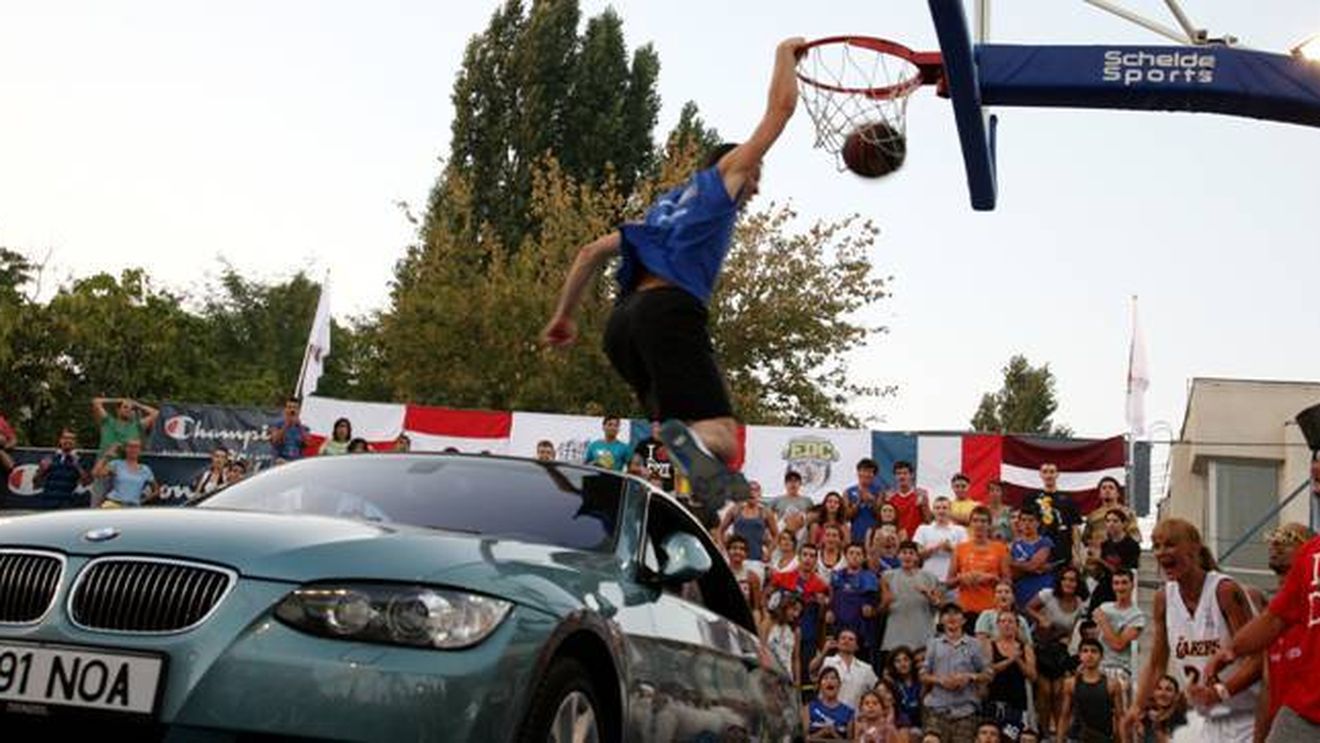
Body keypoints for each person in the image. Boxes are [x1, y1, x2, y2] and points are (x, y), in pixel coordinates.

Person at [542, 38, 807, 515]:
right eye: (755, 175)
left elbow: (589, 252)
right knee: (723, 438)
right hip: (668, 313)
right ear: (734, 166)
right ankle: (692, 449)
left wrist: (563, 316)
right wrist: (784, 54)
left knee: (681, 429)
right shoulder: (720, 183)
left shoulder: (661, 211)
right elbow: (780, 111)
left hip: (622, 329)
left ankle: (690, 479)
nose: (755, 187)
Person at [1125, 519, 1260, 743]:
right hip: (1206, 719)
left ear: (1194, 547)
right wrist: (1136, 707)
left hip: (1245, 717)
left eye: (1170, 544)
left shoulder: (1224, 590)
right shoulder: (1163, 598)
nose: (1161, 552)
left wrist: (1220, 692)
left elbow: (1257, 659)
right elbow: (1157, 664)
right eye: (1156, 546)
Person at [1027, 565, 1088, 738]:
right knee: (1045, 691)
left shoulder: (1080, 604)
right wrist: (1040, 618)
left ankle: (1059, 734)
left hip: (1060, 651)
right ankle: (1045, 733)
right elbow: (1028, 608)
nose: (1068, 583)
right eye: (1065, 579)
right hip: (1040, 646)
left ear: (1078, 583)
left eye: (1072, 580)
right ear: (1060, 581)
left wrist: (1068, 640)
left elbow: (1073, 629)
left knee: (1059, 692)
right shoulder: (1048, 594)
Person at [920, 602, 990, 743]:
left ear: (963, 620)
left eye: (956, 613)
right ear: (941, 620)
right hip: (937, 708)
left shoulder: (975, 644)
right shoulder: (933, 644)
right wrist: (940, 680)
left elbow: (988, 674)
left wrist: (969, 677)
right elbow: (923, 675)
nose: (951, 617)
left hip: (965, 710)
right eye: (947, 614)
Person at [771, 541, 831, 680]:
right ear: (798, 557)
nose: (808, 559)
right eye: (805, 555)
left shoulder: (821, 586)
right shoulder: (782, 578)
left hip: (807, 635)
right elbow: (767, 599)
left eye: (812, 556)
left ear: (816, 560)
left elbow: (822, 617)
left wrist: (823, 605)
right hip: (782, 633)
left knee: (803, 674)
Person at [1093, 568, 1146, 708]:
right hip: (1097, 664)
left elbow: (1118, 645)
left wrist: (1103, 621)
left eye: (1124, 583)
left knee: (1117, 691)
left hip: (1119, 668)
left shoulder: (1137, 616)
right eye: (1116, 583)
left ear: (1132, 585)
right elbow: (1096, 639)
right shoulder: (1104, 607)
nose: (1120, 587)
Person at [947, 505, 1011, 619]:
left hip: (992, 610)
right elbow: (948, 583)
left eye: (983, 521)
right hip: (966, 609)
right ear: (970, 524)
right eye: (975, 520)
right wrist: (961, 578)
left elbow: (1008, 582)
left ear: (989, 525)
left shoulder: (1000, 548)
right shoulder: (960, 548)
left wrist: (991, 578)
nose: (979, 524)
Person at [880, 541, 943, 654]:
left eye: (911, 553)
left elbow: (940, 606)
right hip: (896, 636)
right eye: (904, 552)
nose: (907, 556)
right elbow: (881, 610)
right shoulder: (887, 577)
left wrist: (930, 597)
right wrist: (886, 602)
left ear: (917, 557)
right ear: (898, 555)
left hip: (923, 634)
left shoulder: (929, 577)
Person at [1057, 638, 1124, 743]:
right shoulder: (1070, 684)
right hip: (1077, 738)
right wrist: (1059, 740)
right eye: (1085, 651)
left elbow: (1120, 718)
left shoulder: (1112, 685)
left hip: (1103, 738)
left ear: (1101, 656)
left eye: (1094, 651)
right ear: (1080, 656)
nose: (1089, 655)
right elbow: (1064, 716)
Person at [982, 610, 1036, 736]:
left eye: (1010, 621)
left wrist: (1018, 660)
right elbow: (987, 670)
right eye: (1003, 621)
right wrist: (1010, 660)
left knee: (1011, 738)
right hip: (993, 701)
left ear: (1017, 626)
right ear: (998, 625)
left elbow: (1033, 676)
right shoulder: (990, 644)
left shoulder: (1025, 647)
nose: (1007, 624)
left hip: (1017, 703)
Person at [1021, 463, 1081, 571]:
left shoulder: (1068, 500)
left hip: (1062, 551)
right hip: (1037, 550)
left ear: (1057, 474)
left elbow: (1075, 529)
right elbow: (1023, 525)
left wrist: (1077, 552)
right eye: (1045, 472)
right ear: (1040, 474)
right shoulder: (1031, 499)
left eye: (1052, 472)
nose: (1049, 475)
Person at [828, 544, 881, 659]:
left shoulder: (870, 577)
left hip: (861, 631)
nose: (854, 556)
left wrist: (871, 608)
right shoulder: (836, 575)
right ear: (845, 556)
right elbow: (832, 597)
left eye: (858, 554)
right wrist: (830, 610)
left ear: (864, 557)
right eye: (851, 553)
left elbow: (874, 602)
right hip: (839, 628)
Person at [810, 628, 879, 710]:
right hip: (826, 714)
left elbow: (877, 690)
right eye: (843, 638)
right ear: (837, 643)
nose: (846, 641)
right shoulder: (827, 661)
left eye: (851, 639)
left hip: (855, 715)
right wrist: (824, 651)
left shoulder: (866, 668)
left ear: (857, 646)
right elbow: (812, 669)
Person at [1088, 508, 1142, 610]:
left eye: (1115, 521)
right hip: (1105, 584)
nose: (1111, 524)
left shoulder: (1131, 545)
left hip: (1121, 586)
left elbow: (1124, 572)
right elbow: (1098, 571)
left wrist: (1100, 560)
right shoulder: (1105, 544)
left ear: (1124, 524)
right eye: (1108, 521)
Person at [912, 497, 966, 594]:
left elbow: (965, 556)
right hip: (928, 580)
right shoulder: (923, 529)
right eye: (937, 508)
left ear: (950, 510)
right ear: (933, 511)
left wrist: (951, 549)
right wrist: (936, 547)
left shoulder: (960, 530)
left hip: (952, 582)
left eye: (944, 508)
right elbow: (917, 555)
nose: (941, 511)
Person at [1010, 505, 1056, 610]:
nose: (1027, 524)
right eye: (1023, 520)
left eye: (1031, 520)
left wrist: (1014, 563)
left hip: (1042, 590)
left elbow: (1032, 566)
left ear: (1038, 523)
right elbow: (1013, 573)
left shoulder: (1045, 541)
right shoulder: (1014, 545)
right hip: (1021, 591)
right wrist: (1031, 567)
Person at [720, 480, 778, 562]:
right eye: (749, 490)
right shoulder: (736, 510)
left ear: (759, 494)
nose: (752, 493)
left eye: (755, 490)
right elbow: (720, 531)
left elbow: (776, 535)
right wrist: (723, 549)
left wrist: (769, 552)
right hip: (736, 559)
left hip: (757, 558)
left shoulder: (765, 513)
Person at [92, 439, 158, 507]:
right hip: (114, 504)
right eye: (130, 447)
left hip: (133, 506)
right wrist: (106, 456)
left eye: (136, 447)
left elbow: (156, 490)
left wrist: (142, 500)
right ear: (125, 449)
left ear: (140, 450)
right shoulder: (116, 464)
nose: (133, 450)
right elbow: (95, 473)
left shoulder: (145, 469)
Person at [35, 428, 91, 505]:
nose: (68, 441)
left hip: (67, 504)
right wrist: (42, 470)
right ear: (60, 440)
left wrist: (78, 466)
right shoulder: (49, 457)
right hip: (47, 502)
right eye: (65, 438)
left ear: (75, 442)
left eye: (71, 439)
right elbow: (36, 484)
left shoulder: (81, 460)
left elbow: (86, 483)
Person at [1083, 476, 1140, 548]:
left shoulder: (1128, 513)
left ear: (1117, 493)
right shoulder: (1093, 516)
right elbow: (1085, 539)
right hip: (1099, 552)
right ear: (1099, 494)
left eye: (1111, 488)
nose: (1107, 490)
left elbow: (1135, 536)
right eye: (1104, 488)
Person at [760, 590, 802, 684]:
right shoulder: (767, 624)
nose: (796, 614)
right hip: (769, 675)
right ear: (785, 606)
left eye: (799, 611)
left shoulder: (796, 631)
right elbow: (761, 650)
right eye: (794, 609)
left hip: (787, 677)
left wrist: (798, 681)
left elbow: (796, 659)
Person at [805, 666, 855, 740]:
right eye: (825, 678)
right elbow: (803, 739)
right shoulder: (810, 707)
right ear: (819, 685)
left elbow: (850, 741)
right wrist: (822, 732)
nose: (829, 681)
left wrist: (834, 734)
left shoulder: (848, 712)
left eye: (833, 678)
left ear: (839, 684)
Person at [885, 461, 931, 539]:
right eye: (898, 473)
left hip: (916, 540)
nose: (902, 476)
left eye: (905, 473)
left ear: (912, 475)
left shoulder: (920, 495)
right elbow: (885, 522)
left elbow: (928, 520)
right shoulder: (890, 497)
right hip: (895, 540)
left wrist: (924, 505)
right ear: (895, 476)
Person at [1137, 675, 1189, 742]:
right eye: (1159, 688)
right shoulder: (1145, 717)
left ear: (1176, 696)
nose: (1162, 693)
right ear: (1153, 693)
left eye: (1168, 690)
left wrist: (1157, 726)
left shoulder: (1180, 720)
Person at [846, 458, 884, 546]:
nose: (866, 474)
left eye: (870, 472)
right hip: (855, 533)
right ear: (858, 472)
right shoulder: (849, 492)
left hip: (874, 535)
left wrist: (872, 501)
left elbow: (881, 515)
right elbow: (846, 516)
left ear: (874, 475)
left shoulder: (880, 491)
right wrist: (858, 502)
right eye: (864, 471)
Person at [885, 646, 923, 736]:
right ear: (893, 665)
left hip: (921, 724)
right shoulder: (891, 684)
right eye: (897, 661)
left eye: (906, 659)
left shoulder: (921, 681)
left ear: (912, 662)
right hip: (900, 726)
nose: (902, 664)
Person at [630, 420, 674, 491]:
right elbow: (632, 467)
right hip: (648, 488)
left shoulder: (673, 445)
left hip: (668, 491)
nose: (657, 430)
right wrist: (641, 469)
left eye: (659, 427)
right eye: (654, 427)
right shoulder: (643, 444)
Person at [773, 470, 814, 543]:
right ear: (785, 484)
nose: (793, 484)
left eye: (795, 481)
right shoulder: (777, 500)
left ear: (800, 484)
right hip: (782, 536)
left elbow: (812, 518)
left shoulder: (807, 501)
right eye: (790, 481)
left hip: (801, 537)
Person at [726, 534, 764, 615]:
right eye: (734, 548)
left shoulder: (752, 577)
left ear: (746, 554)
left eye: (742, 549)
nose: (738, 552)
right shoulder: (722, 573)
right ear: (728, 551)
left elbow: (756, 608)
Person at [270, 397, 309, 461]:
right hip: (281, 459)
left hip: (296, 460)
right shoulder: (277, 425)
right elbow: (275, 441)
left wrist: (299, 426)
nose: (292, 410)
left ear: (299, 411)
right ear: (285, 409)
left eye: (295, 408)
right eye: (289, 407)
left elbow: (307, 443)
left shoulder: (303, 428)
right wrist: (286, 425)